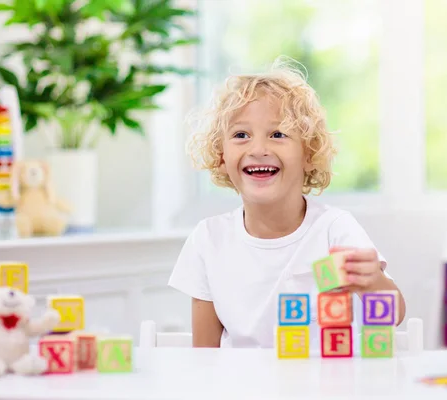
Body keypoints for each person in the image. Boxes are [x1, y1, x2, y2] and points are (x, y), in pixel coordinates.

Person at [168, 58, 406, 348]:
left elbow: (395, 315)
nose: (258, 149)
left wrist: (372, 283)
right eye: (241, 135)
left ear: (309, 154)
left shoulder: (334, 229)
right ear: (221, 156)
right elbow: (205, 356)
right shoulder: (208, 239)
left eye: (278, 134)